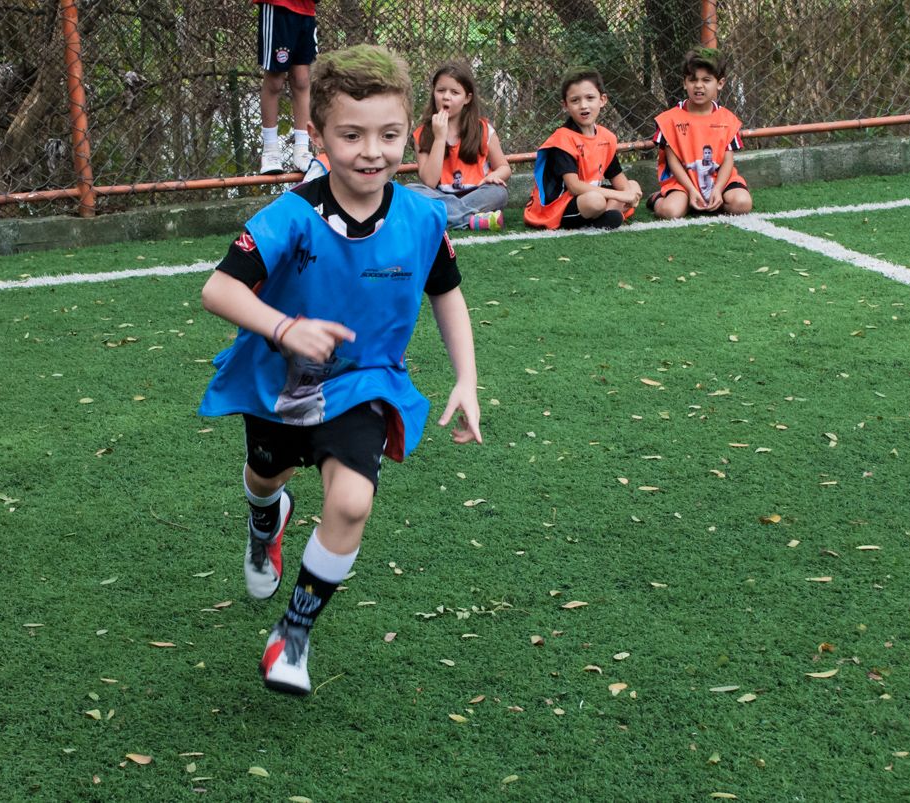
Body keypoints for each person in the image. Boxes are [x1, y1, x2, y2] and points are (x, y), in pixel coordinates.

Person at [198, 45, 482, 695]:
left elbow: (447, 291)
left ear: (407, 133)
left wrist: (466, 378)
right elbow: (219, 290)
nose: (371, 151)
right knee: (266, 474)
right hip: (279, 382)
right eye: (351, 135)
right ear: (320, 135)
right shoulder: (291, 216)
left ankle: (292, 634)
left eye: (387, 134)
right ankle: (266, 516)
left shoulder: (421, 216)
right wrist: (284, 326)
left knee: (353, 500)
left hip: (365, 381)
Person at [523, 66, 641, 230]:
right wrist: (620, 196)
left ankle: (602, 217)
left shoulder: (606, 137)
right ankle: (603, 215)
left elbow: (616, 175)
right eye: (575, 100)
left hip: (590, 195)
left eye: (590, 98)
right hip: (560, 205)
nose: (583, 106)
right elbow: (574, 186)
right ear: (565, 105)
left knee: (633, 186)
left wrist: (629, 194)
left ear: (602, 100)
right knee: (595, 201)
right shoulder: (562, 139)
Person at [648, 48, 753, 218]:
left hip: (717, 180)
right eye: (692, 79)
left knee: (742, 203)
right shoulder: (669, 119)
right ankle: (657, 199)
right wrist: (691, 189)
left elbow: (728, 161)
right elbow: (672, 160)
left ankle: (711, 201)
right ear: (684, 83)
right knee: (669, 212)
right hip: (683, 183)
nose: (698, 85)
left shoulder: (728, 119)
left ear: (720, 83)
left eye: (706, 80)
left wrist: (718, 189)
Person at [410, 62, 512, 231]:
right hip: (439, 195)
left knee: (499, 192)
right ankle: (472, 220)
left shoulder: (483, 129)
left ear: (467, 98)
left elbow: (504, 167)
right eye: (440, 90)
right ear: (433, 93)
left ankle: (446, 217)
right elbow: (429, 181)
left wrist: (494, 176)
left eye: (454, 92)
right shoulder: (422, 134)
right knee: (411, 192)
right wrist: (440, 138)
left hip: (476, 194)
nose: (446, 97)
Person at [254, 0, 318, 174]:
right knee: (274, 80)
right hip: (279, 7)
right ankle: (270, 152)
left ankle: (302, 151)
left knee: (302, 79)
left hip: (306, 8)